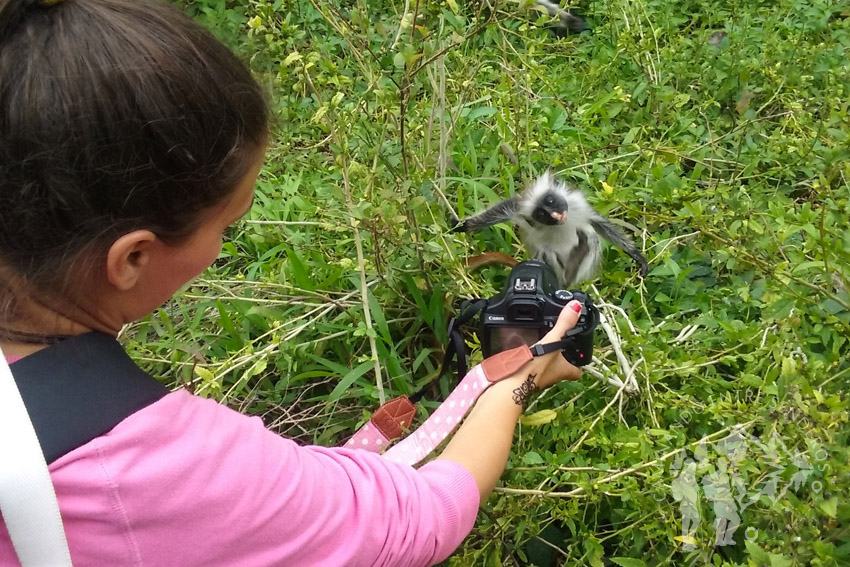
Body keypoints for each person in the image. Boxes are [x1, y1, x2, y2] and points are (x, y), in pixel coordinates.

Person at [0, 0, 584, 565]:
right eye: (227, 226)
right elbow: (420, 519)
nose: (224, 247)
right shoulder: (159, 474)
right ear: (131, 258)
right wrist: (520, 377)